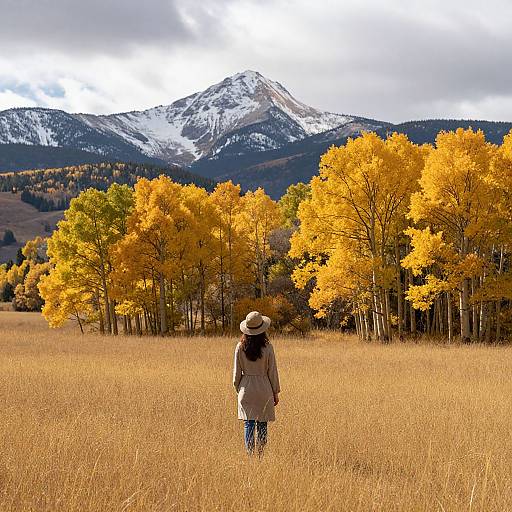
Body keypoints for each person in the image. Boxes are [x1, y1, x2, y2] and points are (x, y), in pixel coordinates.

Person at [233, 311, 281, 456]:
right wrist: (275, 392)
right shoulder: (268, 347)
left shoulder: (240, 347)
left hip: (245, 388)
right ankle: (260, 455)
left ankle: (250, 455)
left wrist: (239, 390)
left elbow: (236, 375)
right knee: (262, 424)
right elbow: (272, 372)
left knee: (248, 423)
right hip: (264, 389)